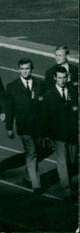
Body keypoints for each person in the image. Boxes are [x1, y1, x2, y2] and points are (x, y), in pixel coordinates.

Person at [4, 58, 43, 194]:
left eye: (27, 68)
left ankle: (28, 176)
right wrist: (9, 127)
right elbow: (9, 109)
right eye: (22, 68)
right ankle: (36, 184)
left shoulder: (40, 84)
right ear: (19, 69)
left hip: (39, 126)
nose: (25, 71)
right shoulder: (12, 87)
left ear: (32, 69)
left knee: (35, 152)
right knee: (32, 152)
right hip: (24, 126)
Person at [39, 66, 78, 200]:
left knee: (72, 161)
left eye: (64, 77)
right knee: (62, 161)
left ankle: (68, 181)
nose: (62, 80)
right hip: (58, 134)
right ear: (55, 78)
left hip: (72, 133)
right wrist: (46, 135)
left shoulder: (73, 92)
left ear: (67, 77)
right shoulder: (49, 94)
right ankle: (66, 188)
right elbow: (45, 116)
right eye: (59, 78)